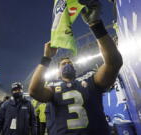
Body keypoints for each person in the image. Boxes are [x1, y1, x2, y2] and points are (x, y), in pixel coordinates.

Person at [29, 1, 123, 135]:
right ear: (58, 72)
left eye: (70, 63)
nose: (68, 64)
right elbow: (34, 91)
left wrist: (96, 26)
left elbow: (114, 63)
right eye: (63, 64)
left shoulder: (89, 78)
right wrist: (46, 58)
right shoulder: (53, 86)